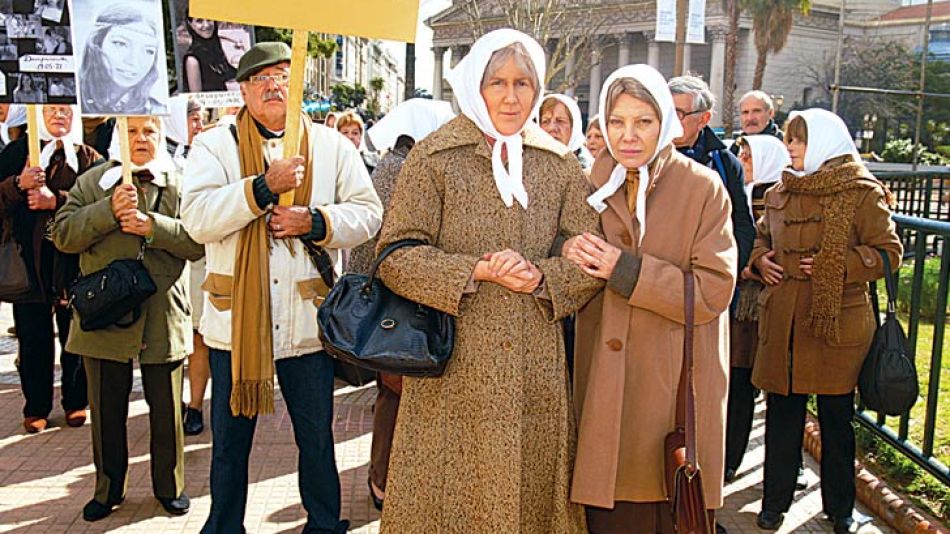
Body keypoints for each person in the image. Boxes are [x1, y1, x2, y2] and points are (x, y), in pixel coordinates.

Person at [375, 29, 601, 534]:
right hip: (450, 369)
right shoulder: (435, 158)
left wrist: (544, 276)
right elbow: (393, 255)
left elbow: (590, 257)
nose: (511, 96)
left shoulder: (559, 163)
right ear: (476, 85)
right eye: (497, 82)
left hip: (533, 373)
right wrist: (474, 269)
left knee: (528, 500)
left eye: (523, 83)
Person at [180, 42, 382, 534]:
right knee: (229, 443)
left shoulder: (332, 145)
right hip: (235, 327)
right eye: (262, 77)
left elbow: (369, 213)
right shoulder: (214, 145)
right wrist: (260, 189)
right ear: (244, 89)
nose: (274, 85)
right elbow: (196, 219)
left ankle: (323, 522)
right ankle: (224, 525)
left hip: (306, 324)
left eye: (283, 76)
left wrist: (313, 220)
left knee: (316, 438)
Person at [568, 64, 736, 533]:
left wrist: (626, 270)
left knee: (670, 508)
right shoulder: (586, 187)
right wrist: (567, 251)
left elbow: (714, 288)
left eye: (643, 121)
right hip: (604, 391)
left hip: (674, 390)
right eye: (617, 121)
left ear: (665, 121)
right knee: (609, 513)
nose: (628, 135)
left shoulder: (702, 188)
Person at [751, 109, 902, 534]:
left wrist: (841, 264)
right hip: (783, 321)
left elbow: (889, 253)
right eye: (790, 140)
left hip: (837, 322)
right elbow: (762, 236)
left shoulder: (860, 191)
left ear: (822, 142)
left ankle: (840, 509)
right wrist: (759, 260)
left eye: (799, 140)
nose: (791, 148)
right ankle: (774, 503)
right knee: (782, 415)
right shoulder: (782, 188)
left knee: (836, 419)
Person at [52, 115, 203, 522]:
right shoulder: (93, 182)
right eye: (132, 131)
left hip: (162, 313)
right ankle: (107, 489)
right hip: (103, 315)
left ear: (161, 135)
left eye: (148, 131)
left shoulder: (181, 181)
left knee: (167, 410)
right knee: (105, 410)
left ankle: (170, 487)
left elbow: (199, 241)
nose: (140, 139)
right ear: (120, 135)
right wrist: (107, 211)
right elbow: (62, 235)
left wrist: (152, 227)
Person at [350, 97, 454, 511]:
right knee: (395, 395)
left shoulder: (396, 163)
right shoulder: (404, 167)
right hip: (401, 304)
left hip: (401, 301)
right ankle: (383, 482)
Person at [0, 105, 100, 433]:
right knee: (32, 337)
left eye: (66, 110)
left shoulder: (87, 158)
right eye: (51, 108)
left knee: (75, 334)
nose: (59, 115)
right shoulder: (16, 153)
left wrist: (55, 200)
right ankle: (36, 406)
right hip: (29, 263)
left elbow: (99, 203)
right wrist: (18, 183)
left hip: (73, 263)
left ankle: (75, 401)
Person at [723, 134, 789, 482]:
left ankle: (732, 456)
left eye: (750, 154)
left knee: (743, 382)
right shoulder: (741, 192)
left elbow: (774, 245)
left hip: (756, 307)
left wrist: (754, 264)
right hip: (734, 299)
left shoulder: (774, 197)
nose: (743, 159)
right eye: (742, 152)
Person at [669, 75, 754, 275]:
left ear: (703, 119)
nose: (670, 121)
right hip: (654, 279)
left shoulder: (725, 163)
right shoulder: (647, 157)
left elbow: (741, 224)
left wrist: (723, 274)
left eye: (679, 113)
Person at [166, 95, 210, 435]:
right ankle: (170, 404)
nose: (199, 126)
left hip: (198, 263)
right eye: (193, 120)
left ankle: (195, 404)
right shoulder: (160, 159)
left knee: (198, 338)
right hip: (166, 263)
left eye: (201, 120)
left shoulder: (208, 156)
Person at [78, 4, 165, 115]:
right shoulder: (71, 94)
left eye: (149, 51)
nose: (133, 61)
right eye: (120, 44)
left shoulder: (157, 110)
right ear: (97, 42)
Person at [538, 93, 595, 171]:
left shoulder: (589, 173)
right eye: (546, 121)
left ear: (574, 127)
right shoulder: (528, 165)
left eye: (560, 121)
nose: (552, 128)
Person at [181, 18, 238, 93]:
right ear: (191, 24)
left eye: (209, 20)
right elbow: (197, 100)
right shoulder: (192, 60)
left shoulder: (216, 50)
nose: (206, 25)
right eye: (199, 21)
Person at [729, 90, 783, 156]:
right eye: (745, 112)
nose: (750, 118)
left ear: (770, 113)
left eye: (756, 111)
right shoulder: (736, 147)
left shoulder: (784, 145)